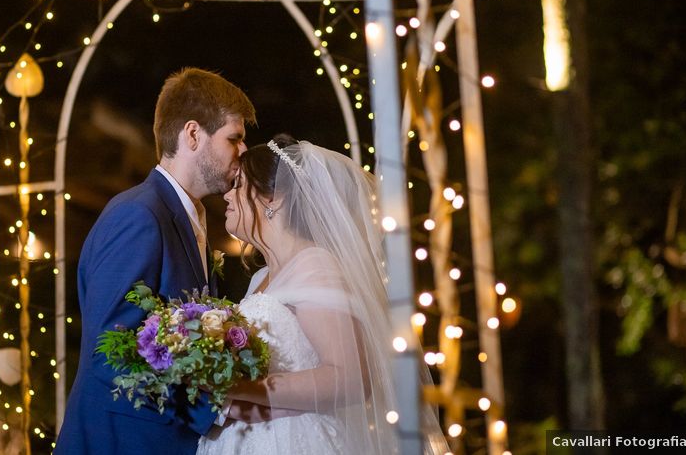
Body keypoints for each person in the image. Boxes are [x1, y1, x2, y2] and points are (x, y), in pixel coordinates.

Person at [198, 134, 447, 455]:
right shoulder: (261, 276)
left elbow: (350, 380)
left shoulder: (315, 266)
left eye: (239, 185)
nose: (227, 196)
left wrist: (235, 388)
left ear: (275, 199)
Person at [54, 68, 256, 455]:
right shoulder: (139, 216)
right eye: (235, 138)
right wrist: (216, 409)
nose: (243, 151)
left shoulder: (189, 216)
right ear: (193, 134)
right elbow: (109, 354)